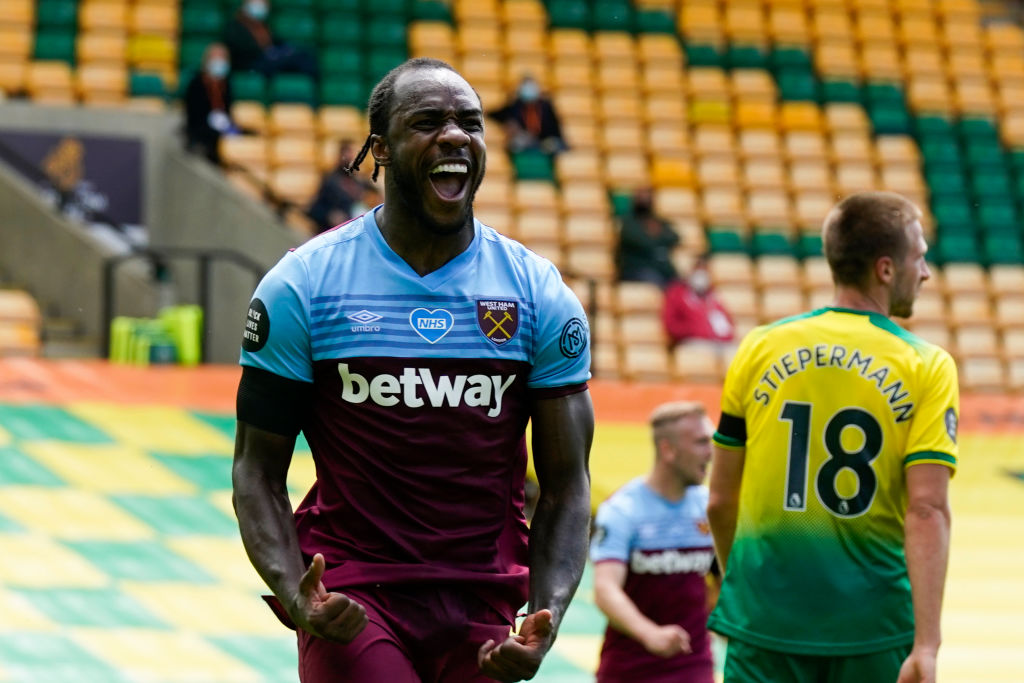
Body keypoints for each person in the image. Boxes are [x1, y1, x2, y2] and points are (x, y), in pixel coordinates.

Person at [232, 57, 594, 683]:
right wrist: (296, 593)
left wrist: (548, 612)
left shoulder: (538, 295)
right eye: (427, 121)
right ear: (381, 149)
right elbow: (256, 470)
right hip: (354, 594)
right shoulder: (304, 285)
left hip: (486, 603)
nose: (455, 135)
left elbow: (567, 487)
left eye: (471, 124)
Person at [707, 191, 958, 683]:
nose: (926, 272)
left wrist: (746, 589)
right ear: (885, 269)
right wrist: (927, 645)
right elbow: (926, 509)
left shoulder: (759, 348)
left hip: (763, 621)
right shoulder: (926, 365)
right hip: (872, 626)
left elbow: (719, 501)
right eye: (920, 257)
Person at [590, 401, 718, 683]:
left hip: (693, 664)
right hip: (629, 669)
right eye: (701, 443)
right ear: (668, 450)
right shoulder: (624, 510)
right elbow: (605, 588)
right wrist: (650, 634)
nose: (710, 452)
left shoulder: (709, 508)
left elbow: (725, 579)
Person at [223, 0, 317, 78]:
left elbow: (275, 41)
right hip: (251, 64)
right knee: (296, 58)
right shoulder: (235, 26)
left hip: (268, 59)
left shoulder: (262, 25)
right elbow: (240, 48)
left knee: (303, 54)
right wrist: (268, 52)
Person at [183, 42, 238, 164]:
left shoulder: (226, 84)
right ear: (207, 60)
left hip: (222, 127)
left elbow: (228, 109)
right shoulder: (196, 83)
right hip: (201, 128)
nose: (219, 61)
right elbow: (192, 114)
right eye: (216, 57)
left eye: (222, 58)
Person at [662, 255, 735, 346]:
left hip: (719, 343)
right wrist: (693, 331)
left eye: (704, 271)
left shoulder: (713, 297)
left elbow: (727, 323)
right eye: (698, 270)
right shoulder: (677, 294)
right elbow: (671, 324)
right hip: (692, 342)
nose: (701, 275)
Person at [616, 187, 680, 288]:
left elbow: (675, 237)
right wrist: (657, 237)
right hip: (636, 270)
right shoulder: (629, 222)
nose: (645, 200)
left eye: (647, 197)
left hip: (662, 269)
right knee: (657, 283)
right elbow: (641, 241)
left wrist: (654, 236)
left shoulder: (656, 220)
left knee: (679, 286)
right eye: (641, 197)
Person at [487, 75, 567, 156]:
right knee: (517, 143)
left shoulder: (546, 106)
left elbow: (555, 128)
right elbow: (494, 114)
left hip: (545, 141)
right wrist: (508, 123)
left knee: (554, 146)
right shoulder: (515, 105)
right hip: (526, 141)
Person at [306, 140, 369, 234]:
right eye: (348, 153)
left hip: (353, 231)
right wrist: (330, 216)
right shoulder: (330, 181)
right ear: (340, 156)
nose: (352, 157)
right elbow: (314, 210)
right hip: (333, 232)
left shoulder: (359, 182)